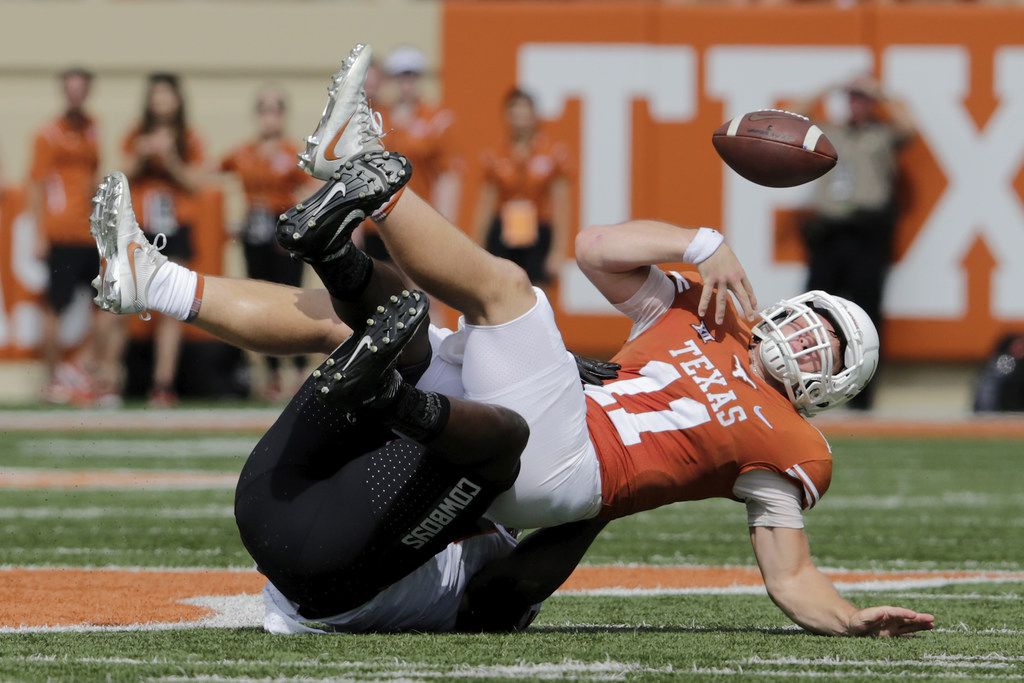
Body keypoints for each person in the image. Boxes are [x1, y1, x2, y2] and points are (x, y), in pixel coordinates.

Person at [93, 44, 933, 638]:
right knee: (341, 317)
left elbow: (789, 576)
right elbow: (600, 246)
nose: (811, 341)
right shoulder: (708, 314)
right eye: (818, 320)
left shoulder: (792, 444)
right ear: (796, 303)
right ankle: (154, 281)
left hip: (567, 463)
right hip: (545, 404)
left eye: (831, 348)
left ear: (829, 387)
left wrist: (850, 618)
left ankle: (364, 172)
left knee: (506, 292)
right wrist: (701, 239)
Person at [793, 76, 916, 410]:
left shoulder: (881, 134)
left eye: (862, 99)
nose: (857, 105)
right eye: (853, 99)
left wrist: (880, 93)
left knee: (867, 315)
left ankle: (862, 397)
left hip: (866, 233)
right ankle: (808, 386)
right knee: (813, 311)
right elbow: (794, 119)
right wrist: (829, 86)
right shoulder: (830, 132)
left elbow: (910, 128)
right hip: (829, 232)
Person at [28, 67, 120, 405]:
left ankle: (90, 374)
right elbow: (37, 183)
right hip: (61, 232)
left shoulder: (93, 129)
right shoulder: (48, 134)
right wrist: (39, 233)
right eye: (71, 89)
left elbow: (96, 176)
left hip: (89, 233)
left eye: (81, 89)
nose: (76, 95)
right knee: (56, 306)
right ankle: (51, 378)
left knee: (106, 305)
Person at [220, 87, 313, 400]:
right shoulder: (245, 152)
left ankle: (299, 370)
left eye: (274, 110)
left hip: (283, 232)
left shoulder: (291, 152)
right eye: (263, 110)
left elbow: (313, 188)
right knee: (263, 295)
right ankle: (273, 374)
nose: (268, 117)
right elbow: (212, 174)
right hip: (255, 231)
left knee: (293, 298)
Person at [122, 72, 207, 406]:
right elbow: (119, 174)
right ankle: (109, 377)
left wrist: (170, 158)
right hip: (141, 224)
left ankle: (163, 382)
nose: (160, 101)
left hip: (175, 225)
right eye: (155, 94)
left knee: (173, 304)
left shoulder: (189, 138)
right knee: (127, 297)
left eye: (166, 94)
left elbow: (197, 182)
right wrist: (143, 155)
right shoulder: (135, 134)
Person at [474, 88, 572, 287]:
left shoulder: (552, 153)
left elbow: (561, 205)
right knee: (500, 288)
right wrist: (477, 246)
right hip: (503, 229)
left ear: (534, 116)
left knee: (538, 291)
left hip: (538, 229)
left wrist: (558, 250)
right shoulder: (496, 154)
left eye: (525, 113)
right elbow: (485, 204)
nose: (520, 119)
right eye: (515, 113)